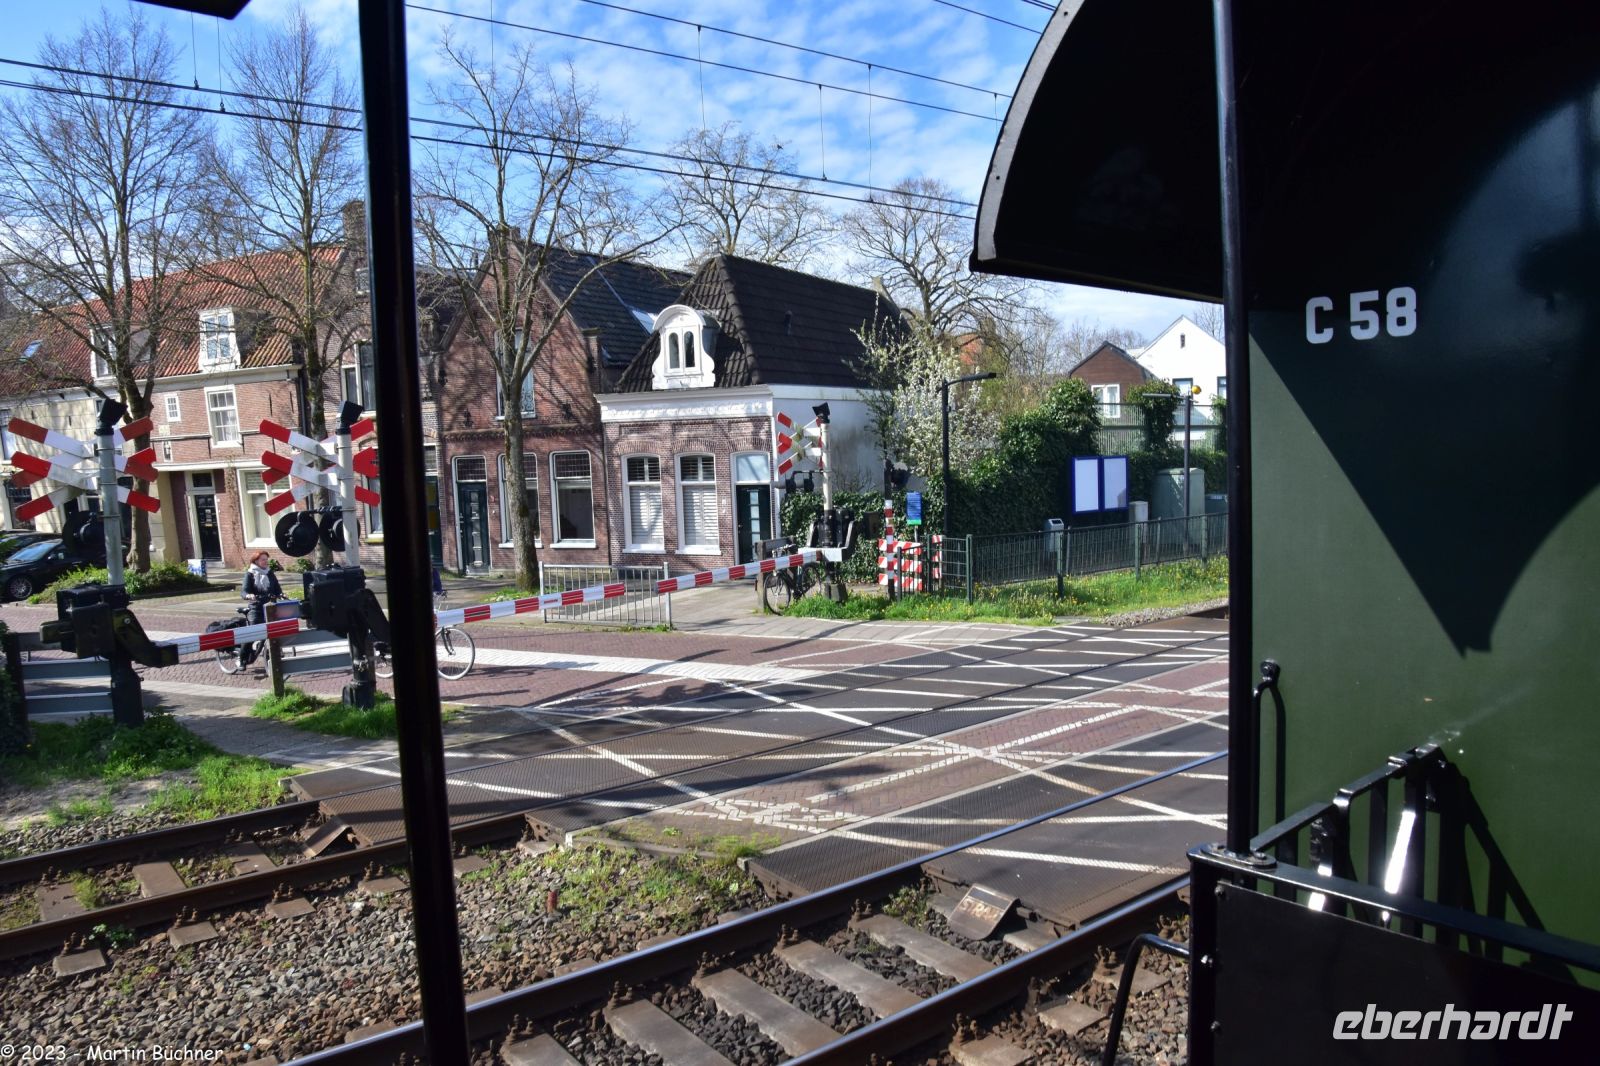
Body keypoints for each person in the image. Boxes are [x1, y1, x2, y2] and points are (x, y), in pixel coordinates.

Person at [239, 550, 283, 667]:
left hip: (270, 608)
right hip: (256, 608)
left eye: (266, 559)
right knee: (252, 634)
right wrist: (249, 595)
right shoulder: (250, 574)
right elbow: (244, 591)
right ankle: (242, 659)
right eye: (263, 559)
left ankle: (269, 650)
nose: (265, 561)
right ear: (256, 561)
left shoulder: (270, 573)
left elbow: (277, 589)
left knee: (276, 630)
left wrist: (281, 594)